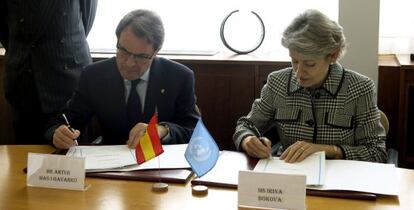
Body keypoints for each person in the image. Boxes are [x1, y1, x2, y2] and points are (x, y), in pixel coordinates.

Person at [233, 9, 387, 163]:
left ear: (333, 55)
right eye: (294, 61)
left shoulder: (360, 88)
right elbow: (246, 125)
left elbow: (376, 152)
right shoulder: (277, 82)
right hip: (289, 176)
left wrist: (330, 150)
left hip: (339, 180)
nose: (299, 72)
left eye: (309, 64)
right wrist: (247, 140)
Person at [46, 9, 200, 149]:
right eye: (124, 51)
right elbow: (64, 120)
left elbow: (193, 131)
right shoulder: (94, 76)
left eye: (141, 56)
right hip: (109, 168)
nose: (129, 63)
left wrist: (162, 130)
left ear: (155, 53)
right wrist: (57, 134)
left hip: (160, 165)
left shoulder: (179, 77)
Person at [0, 0, 98, 144]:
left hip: (67, 77)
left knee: (71, 153)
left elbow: (87, 16)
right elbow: (4, 27)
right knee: (25, 157)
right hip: (24, 79)